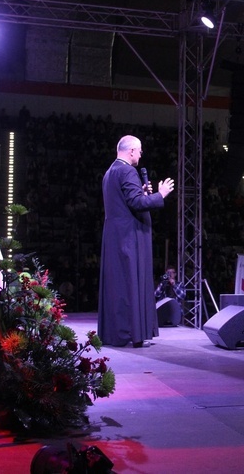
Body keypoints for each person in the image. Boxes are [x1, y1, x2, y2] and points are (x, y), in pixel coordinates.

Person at [97, 135, 175, 348]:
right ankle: (133, 332)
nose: (141, 154)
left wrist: (141, 193)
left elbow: (127, 201)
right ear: (131, 151)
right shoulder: (127, 171)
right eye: (139, 150)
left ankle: (117, 332)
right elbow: (137, 203)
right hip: (129, 236)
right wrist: (161, 195)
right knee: (130, 282)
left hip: (114, 234)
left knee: (118, 285)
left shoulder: (110, 172)